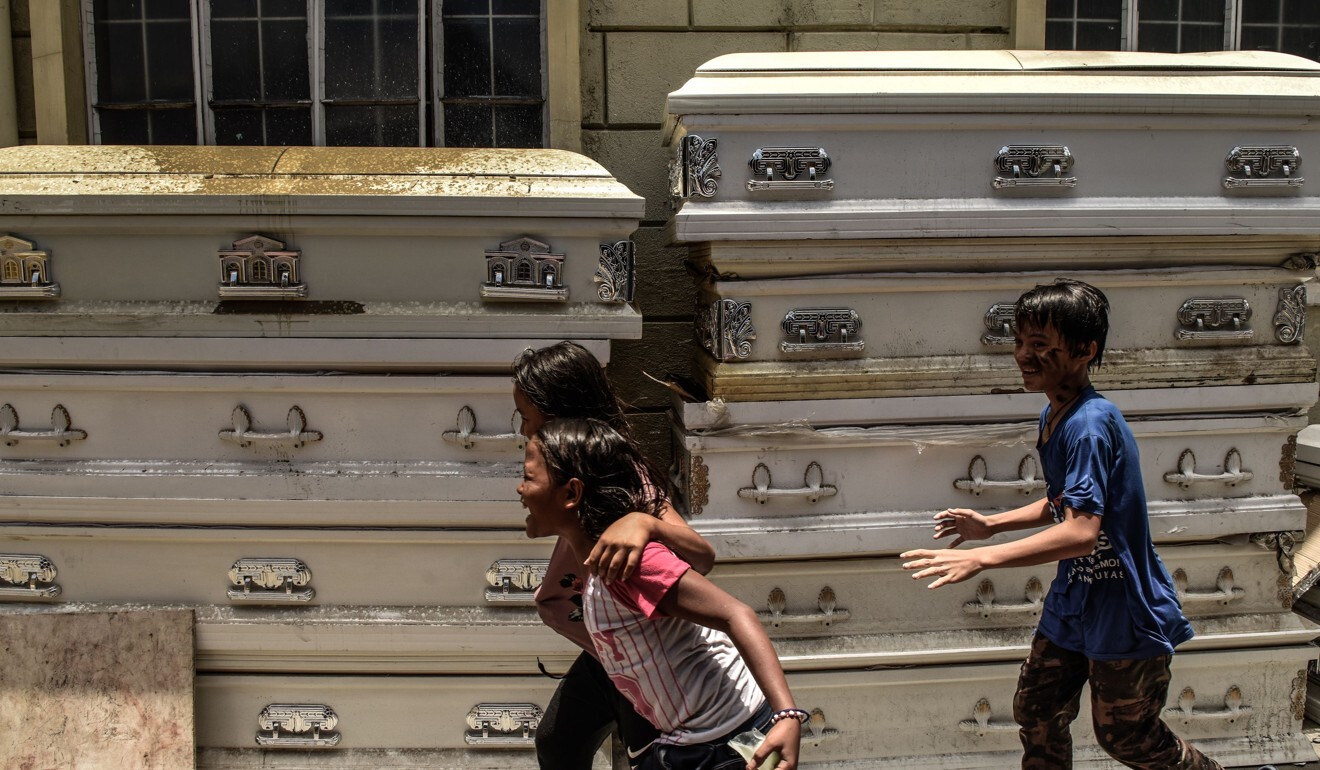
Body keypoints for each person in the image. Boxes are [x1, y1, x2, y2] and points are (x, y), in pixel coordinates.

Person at [900, 279, 1223, 770]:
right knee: (1037, 709)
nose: (1023, 356)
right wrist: (991, 525)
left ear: (1084, 351)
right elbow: (1064, 502)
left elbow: (1080, 532)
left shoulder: (1090, 425)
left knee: (1127, 737)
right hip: (1076, 599)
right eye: (1020, 342)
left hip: (1122, 604)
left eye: (1040, 346)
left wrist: (982, 557)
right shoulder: (1057, 413)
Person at [519, 417, 804, 770]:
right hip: (696, 740)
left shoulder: (631, 566)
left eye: (528, 478)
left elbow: (736, 614)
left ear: (571, 494)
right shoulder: (598, 564)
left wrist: (787, 715)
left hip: (727, 743)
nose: (519, 489)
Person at [513, 342, 718, 770]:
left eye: (527, 418)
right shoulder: (567, 470)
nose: (522, 431)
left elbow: (702, 554)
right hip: (605, 651)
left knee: (645, 756)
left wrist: (647, 525)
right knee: (557, 743)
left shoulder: (621, 475)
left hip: (643, 656)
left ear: (559, 415)